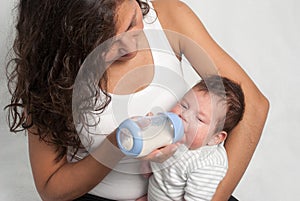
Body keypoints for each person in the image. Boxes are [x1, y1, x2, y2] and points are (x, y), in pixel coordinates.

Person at [5, 0, 269, 200]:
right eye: (105, 45)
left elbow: (253, 106)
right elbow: (52, 187)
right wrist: (117, 144)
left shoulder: (167, 16)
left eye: (132, 22)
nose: (131, 48)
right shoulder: (49, 73)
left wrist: (209, 196)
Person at [146, 75, 245, 201]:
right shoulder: (168, 134)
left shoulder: (207, 164)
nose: (185, 115)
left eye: (199, 118)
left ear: (215, 138)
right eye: (184, 105)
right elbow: (153, 171)